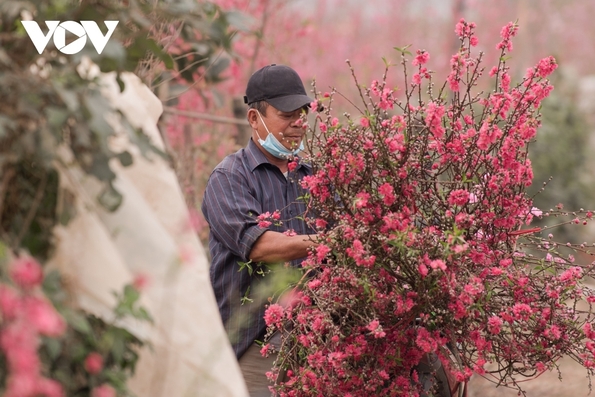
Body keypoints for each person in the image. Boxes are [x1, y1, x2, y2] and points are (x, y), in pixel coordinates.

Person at [201, 64, 318, 396]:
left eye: (302, 113)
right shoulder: (230, 178)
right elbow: (258, 245)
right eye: (286, 114)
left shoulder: (314, 178)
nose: (298, 123)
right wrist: (328, 242)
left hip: (313, 340)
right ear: (255, 118)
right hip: (252, 343)